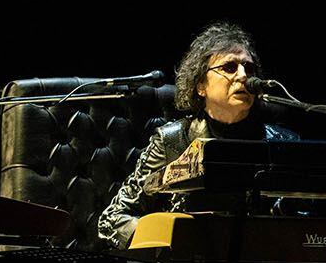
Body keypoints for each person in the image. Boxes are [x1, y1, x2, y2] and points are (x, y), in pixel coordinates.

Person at [98, 21, 298, 251]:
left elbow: (309, 218)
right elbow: (113, 218)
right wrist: (166, 243)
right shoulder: (171, 142)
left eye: (249, 68)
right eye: (229, 67)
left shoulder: (283, 143)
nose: (243, 76)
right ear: (200, 85)